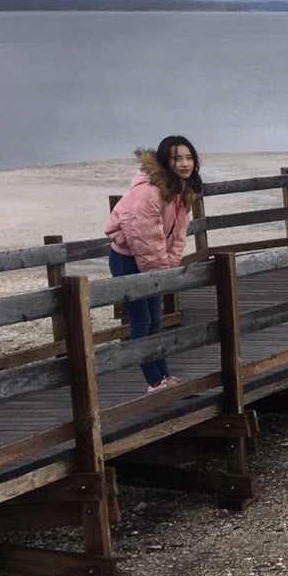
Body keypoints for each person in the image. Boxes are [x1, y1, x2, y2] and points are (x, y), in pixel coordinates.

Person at [104, 135, 202, 392]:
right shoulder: (149, 192)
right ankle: (154, 381)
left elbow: (179, 233)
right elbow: (145, 238)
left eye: (188, 157)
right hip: (127, 259)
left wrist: (168, 266)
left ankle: (163, 376)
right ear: (164, 161)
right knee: (141, 321)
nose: (184, 163)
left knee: (155, 320)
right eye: (177, 158)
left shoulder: (182, 190)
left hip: (151, 260)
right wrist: (160, 276)